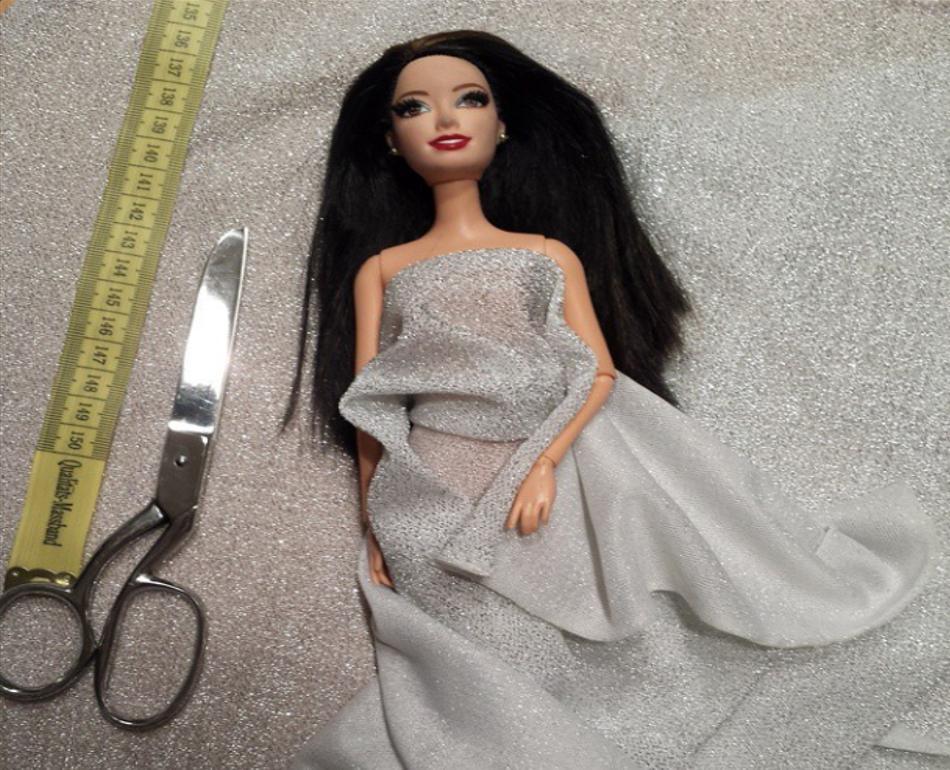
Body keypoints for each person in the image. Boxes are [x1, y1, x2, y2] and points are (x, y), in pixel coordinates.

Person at [284, 29, 946, 768]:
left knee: (603, 601)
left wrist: (544, 462)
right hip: (432, 480)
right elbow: (371, 399)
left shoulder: (543, 255)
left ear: (502, 126)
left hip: (540, 456)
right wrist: (375, 519)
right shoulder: (383, 268)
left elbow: (597, 373)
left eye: (469, 99)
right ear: (388, 140)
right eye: (414, 107)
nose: (444, 119)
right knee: (484, 639)